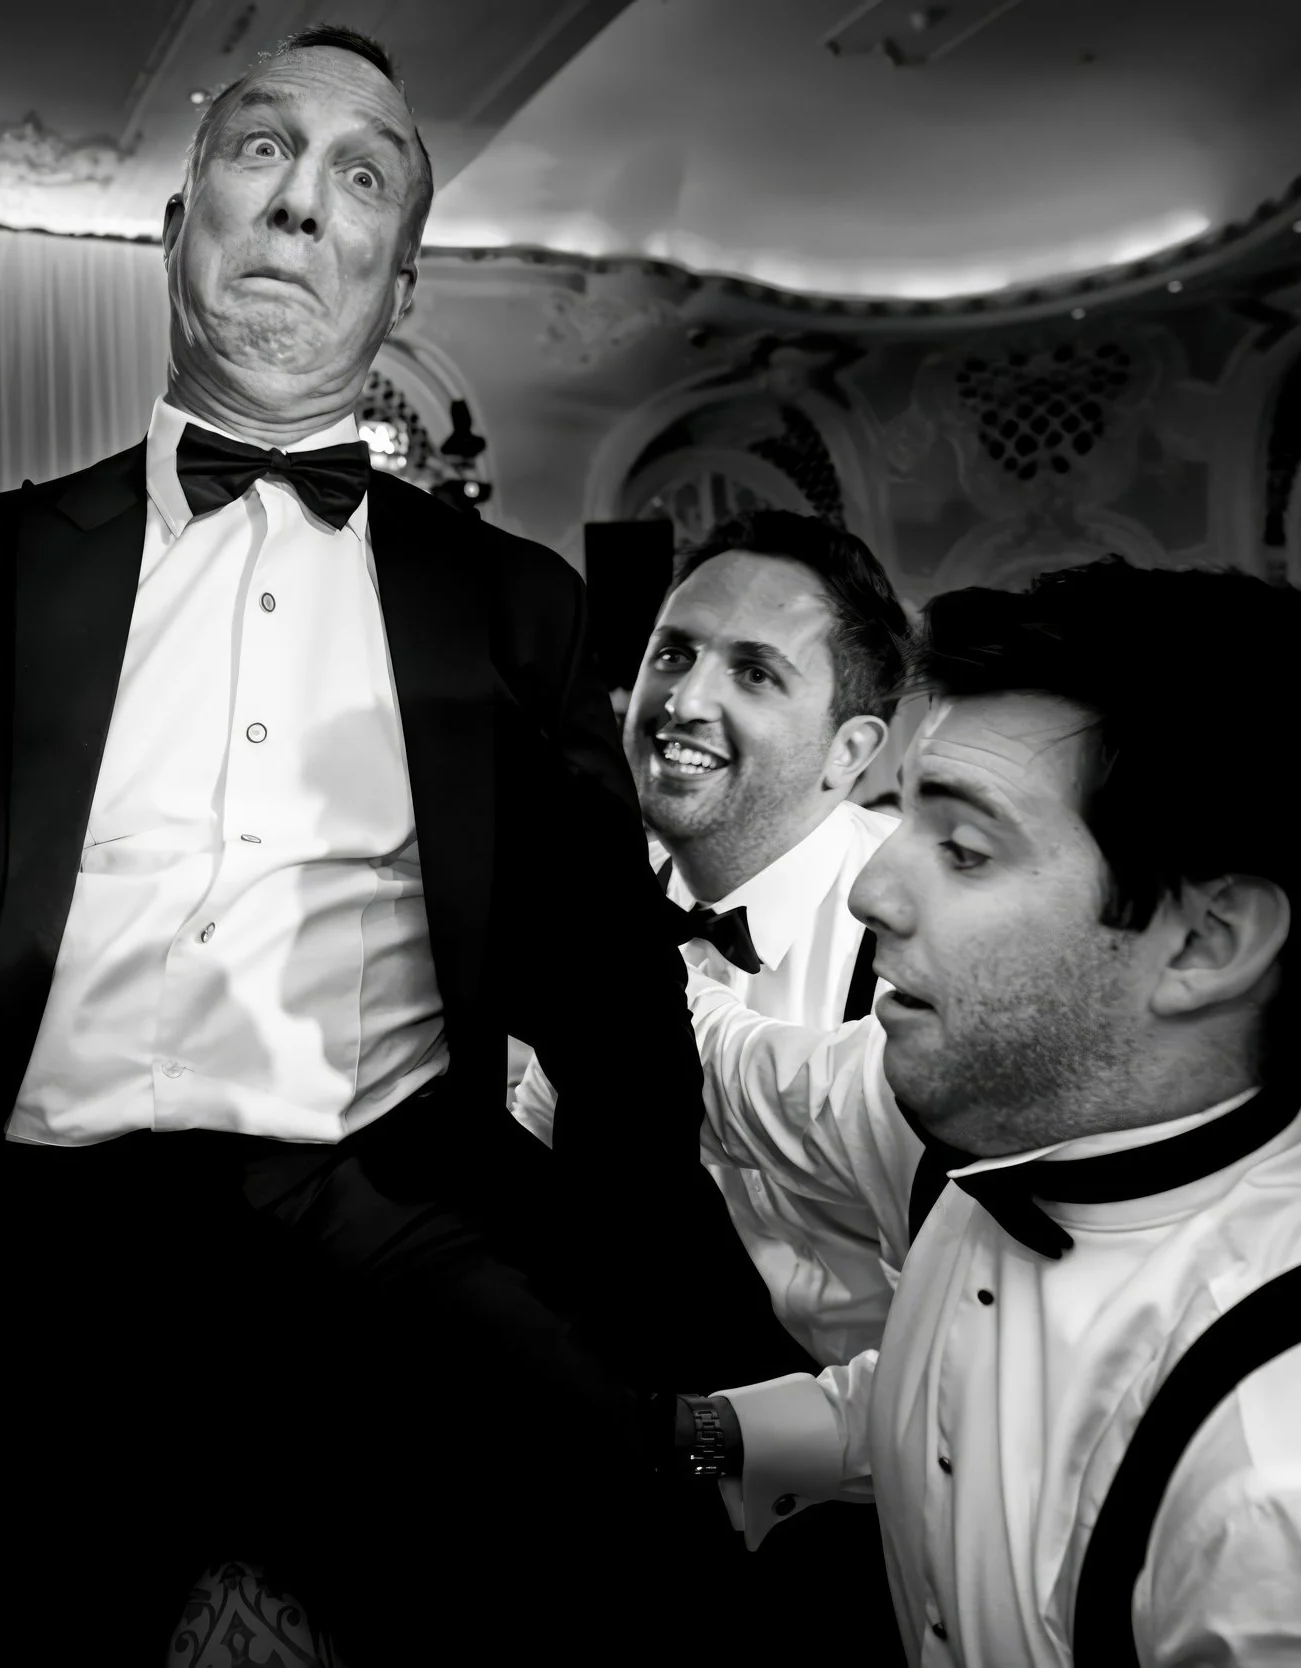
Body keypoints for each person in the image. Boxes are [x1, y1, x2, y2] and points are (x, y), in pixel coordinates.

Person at [0, 25, 704, 1662]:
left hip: (392, 1216)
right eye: (260, 152)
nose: (302, 203)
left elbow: (617, 1000)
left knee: (638, 1569)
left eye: (360, 176)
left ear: (401, 282)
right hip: (31, 1220)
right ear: (177, 225)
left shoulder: (517, 606)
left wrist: (639, 1294)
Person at [675, 561, 1301, 1665]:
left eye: (965, 849)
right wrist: (713, 1432)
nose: (869, 893)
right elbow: (982, 1383)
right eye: (903, 817)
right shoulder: (1004, 1087)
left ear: (1203, 943)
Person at [510, 508, 912, 1650]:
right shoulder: (588, 889)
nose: (682, 701)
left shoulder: (912, 932)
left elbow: (980, 1359)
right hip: (604, 1473)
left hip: (851, 1518)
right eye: (672, 653)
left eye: (754, 672)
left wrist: (700, 1437)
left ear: (849, 752)